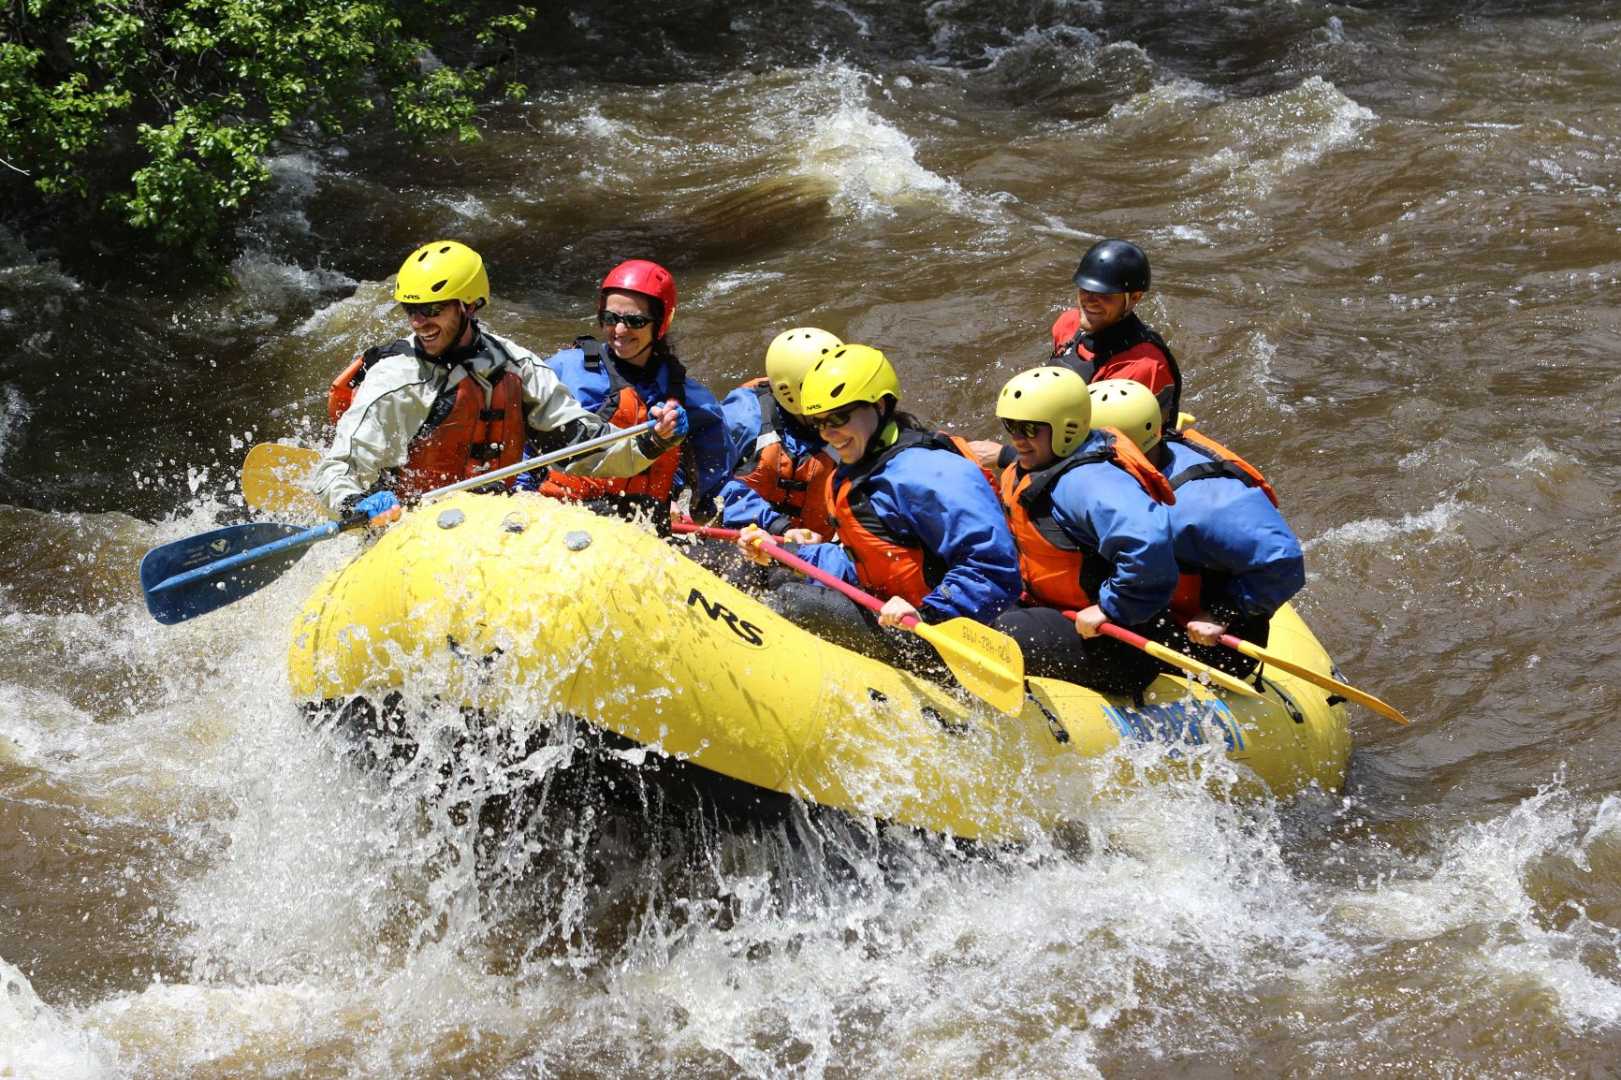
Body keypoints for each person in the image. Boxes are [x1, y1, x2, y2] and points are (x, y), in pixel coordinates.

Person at [312, 241, 686, 524]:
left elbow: (587, 449)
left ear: (470, 305)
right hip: (407, 525)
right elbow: (338, 469)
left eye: (432, 309)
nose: (418, 322)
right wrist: (352, 503)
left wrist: (652, 441)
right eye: (412, 310)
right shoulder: (395, 379)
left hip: (486, 527)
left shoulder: (516, 368)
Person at [736, 344, 1021, 671]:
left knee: (794, 603)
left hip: (938, 628)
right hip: (894, 611)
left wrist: (930, 612)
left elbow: (994, 569)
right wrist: (787, 553)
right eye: (818, 422)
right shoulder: (854, 471)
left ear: (881, 405)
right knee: (768, 573)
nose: (829, 432)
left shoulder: (933, 475)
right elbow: (862, 565)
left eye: (839, 417)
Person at [1088, 378, 1303, 677]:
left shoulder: (1206, 506)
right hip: (1156, 599)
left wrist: (1221, 613)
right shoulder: (1125, 471)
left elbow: (1284, 559)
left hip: (1207, 636)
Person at [991, 366, 1181, 696]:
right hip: (1060, 613)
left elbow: (1150, 543)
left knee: (1002, 633)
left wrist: (1112, 607)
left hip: (1117, 643)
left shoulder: (1090, 483)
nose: (1017, 439)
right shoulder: (1034, 468)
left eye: (1030, 429)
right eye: (1010, 426)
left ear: (1068, 429)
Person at [533, 259, 729, 528]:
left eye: (635, 321)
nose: (620, 331)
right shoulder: (565, 368)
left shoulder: (691, 399)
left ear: (660, 324)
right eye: (610, 318)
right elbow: (524, 443)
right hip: (563, 518)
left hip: (643, 528)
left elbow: (717, 488)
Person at [717, 327, 843, 539]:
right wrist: (777, 526)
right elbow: (710, 483)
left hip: (812, 549)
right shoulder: (744, 418)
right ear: (789, 391)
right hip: (744, 538)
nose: (838, 397)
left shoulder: (854, 428)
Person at [1048, 239, 1184, 428]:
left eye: (1104, 294)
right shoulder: (1067, 324)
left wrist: (1009, 456)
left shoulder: (1143, 368)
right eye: (1085, 289)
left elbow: (1111, 447)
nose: (1090, 300)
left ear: (1134, 298)